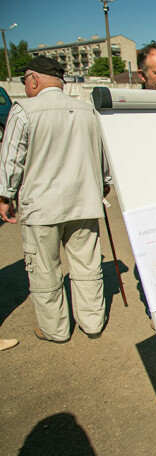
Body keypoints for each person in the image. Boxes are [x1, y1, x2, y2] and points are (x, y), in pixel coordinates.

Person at [0, 56, 110, 342]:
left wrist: (4, 195)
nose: (26, 85)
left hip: (42, 207)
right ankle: (93, 322)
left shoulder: (24, 110)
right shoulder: (88, 110)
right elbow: (103, 154)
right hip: (84, 201)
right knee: (87, 265)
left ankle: (55, 330)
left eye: (25, 80)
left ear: (34, 79)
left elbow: (11, 159)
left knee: (45, 270)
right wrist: (105, 182)